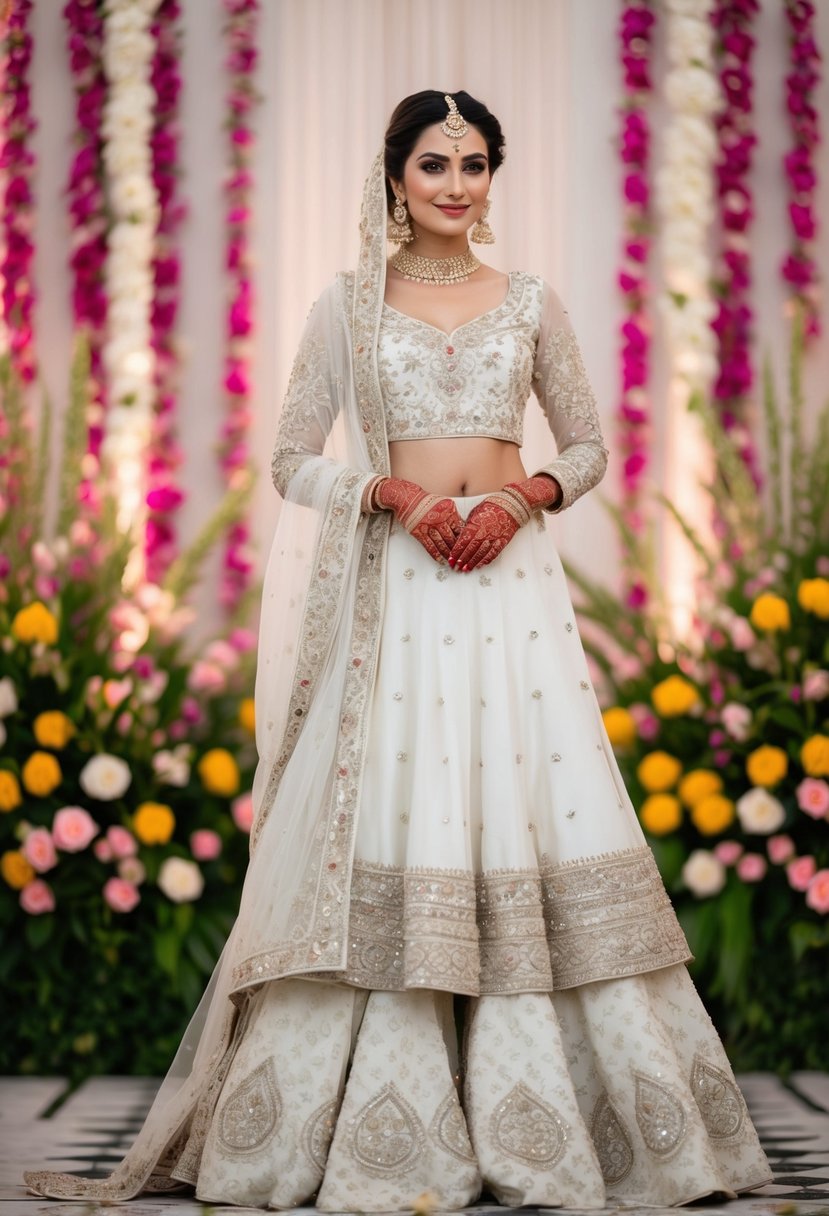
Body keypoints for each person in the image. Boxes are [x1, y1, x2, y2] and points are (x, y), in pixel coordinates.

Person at [26, 90, 772, 1211]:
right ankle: (380, 1125)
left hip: (508, 587)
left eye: (475, 165)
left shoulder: (529, 302)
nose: (457, 186)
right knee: (399, 809)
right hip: (399, 588)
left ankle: (576, 1125)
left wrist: (522, 496)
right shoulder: (345, 307)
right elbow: (288, 458)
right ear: (395, 176)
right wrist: (386, 491)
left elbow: (587, 443)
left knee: (525, 810)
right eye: (436, 165)